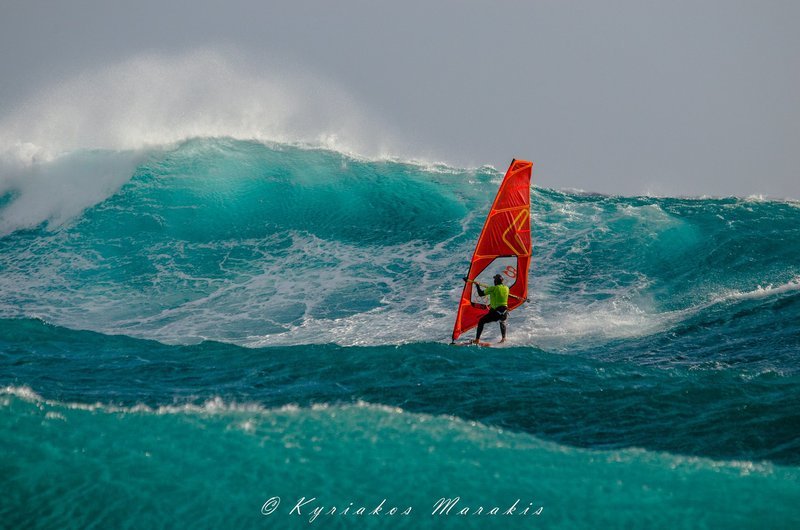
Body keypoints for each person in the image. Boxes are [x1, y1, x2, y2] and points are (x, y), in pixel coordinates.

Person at [463, 273, 509, 343]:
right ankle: (503, 339)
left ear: (495, 282)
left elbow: (481, 294)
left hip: (496, 313)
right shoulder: (506, 288)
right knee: (502, 321)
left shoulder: (493, 288)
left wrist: (477, 285)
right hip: (505, 312)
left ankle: (477, 340)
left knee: (481, 321)